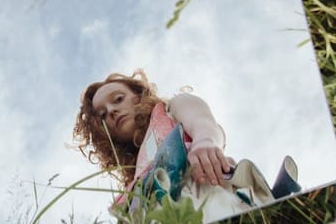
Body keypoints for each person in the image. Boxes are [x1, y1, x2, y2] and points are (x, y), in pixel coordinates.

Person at [73, 70, 234, 199]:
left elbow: (202, 122)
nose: (111, 110)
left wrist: (204, 141)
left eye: (118, 99)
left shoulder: (171, 110)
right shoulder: (134, 183)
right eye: (102, 115)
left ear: (139, 95)